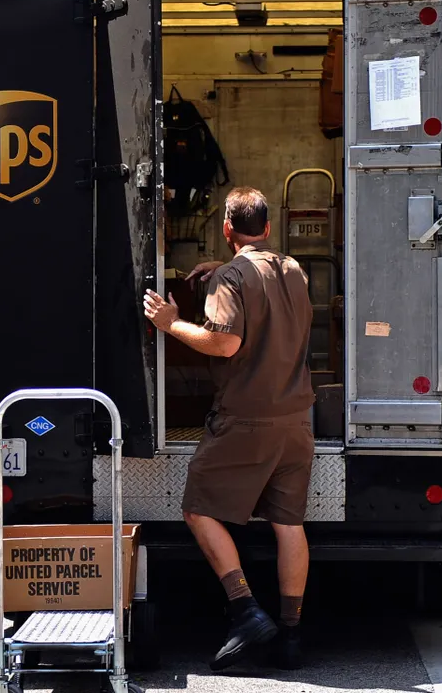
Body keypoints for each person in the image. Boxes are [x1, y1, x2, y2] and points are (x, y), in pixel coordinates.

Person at [142, 187, 314, 671]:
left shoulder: (232, 277)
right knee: (289, 526)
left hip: (247, 419)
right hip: (297, 420)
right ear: (268, 227)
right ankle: (292, 636)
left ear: (226, 228)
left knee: (198, 508)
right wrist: (223, 270)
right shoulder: (295, 270)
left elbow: (224, 343)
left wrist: (171, 322)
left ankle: (245, 611)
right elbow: (264, 286)